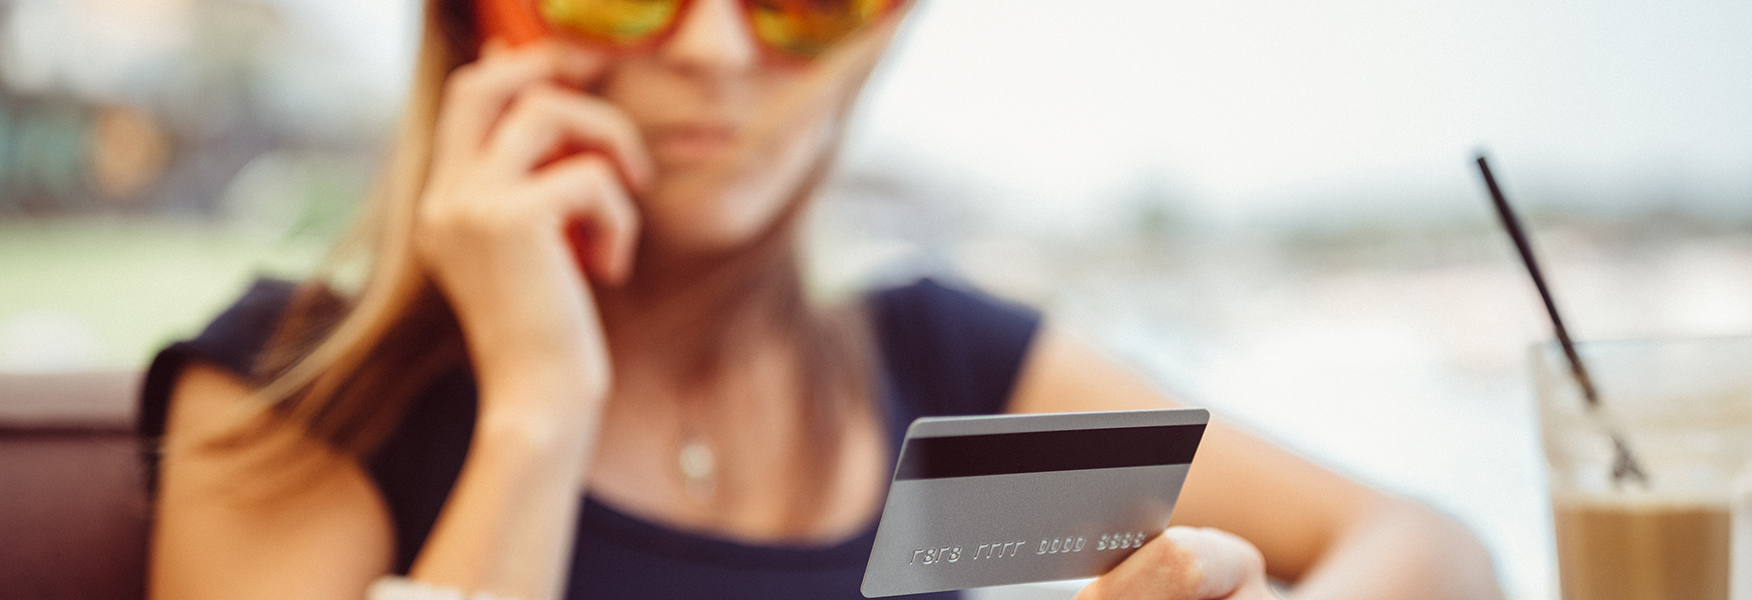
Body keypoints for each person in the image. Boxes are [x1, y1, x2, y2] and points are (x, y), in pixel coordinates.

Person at [139, 0, 1506, 599]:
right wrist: (540, 410)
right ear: (488, 17)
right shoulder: (310, 398)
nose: (722, 46)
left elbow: (1428, 548)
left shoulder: (940, 410)